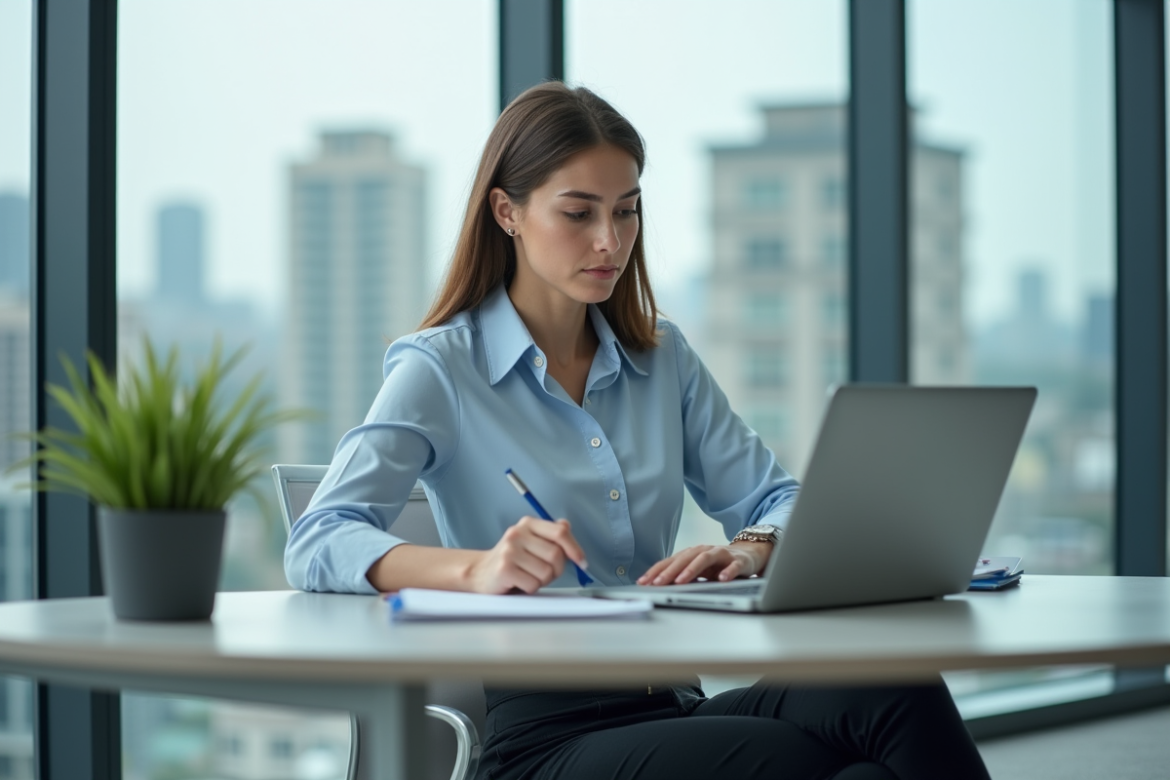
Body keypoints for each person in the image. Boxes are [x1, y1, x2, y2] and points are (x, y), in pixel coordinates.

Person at [285, 82, 991, 780]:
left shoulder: (663, 359)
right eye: (578, 212)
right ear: (507, 212)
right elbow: (320, 538)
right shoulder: (441, 369)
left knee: (897, 689)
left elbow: (784, 498)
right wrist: (474, 570)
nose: (609, 241)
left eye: (626, 212)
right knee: (797, 762)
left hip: (674, 704)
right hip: (544, 740)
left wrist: (749, 549)